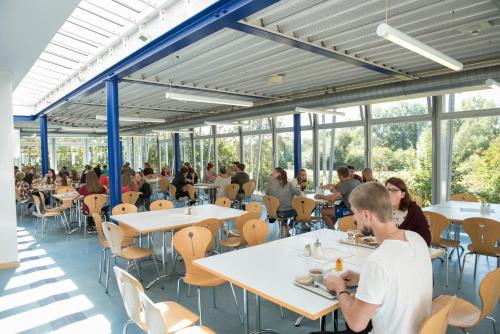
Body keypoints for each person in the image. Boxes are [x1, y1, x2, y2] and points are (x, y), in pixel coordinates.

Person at [323, 182, 432, 334]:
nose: (354, 218)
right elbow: (401, 278)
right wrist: (363, 279)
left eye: (355, 212)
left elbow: (356, 323)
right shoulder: (416, 239)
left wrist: (339, 287)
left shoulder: (378, 261)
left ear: (366, 215)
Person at [385, 177, 431, 246]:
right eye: (387, 190)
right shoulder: (380, 209)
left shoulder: (414, 211)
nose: (389, 193)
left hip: (408, 252)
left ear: (403, 195)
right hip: (384, 250)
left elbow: (426, 239)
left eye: (394, 190)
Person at [266, 167, 303, 237]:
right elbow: (299, 193)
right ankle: (288, 228)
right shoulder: (288, 184)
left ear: (279, 174)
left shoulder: (270, 182)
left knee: (282, 206)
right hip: (285, 212)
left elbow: (267, 194)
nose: (272, 173)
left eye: (274, 172)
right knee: (301, 212)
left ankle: (283, 228)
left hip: (273, 211)